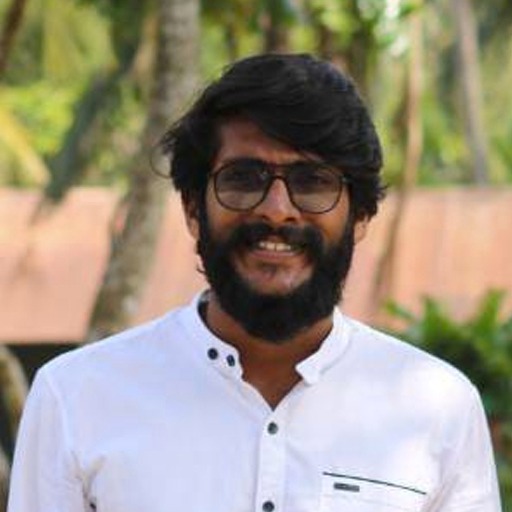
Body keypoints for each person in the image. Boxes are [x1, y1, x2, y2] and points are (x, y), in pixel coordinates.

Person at [8, 54, 501, 512]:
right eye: (244, 178)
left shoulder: (438, 408)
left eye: (312, 181)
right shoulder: (77, 398)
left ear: (361, 216)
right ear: (193, 209)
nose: (277, 210)